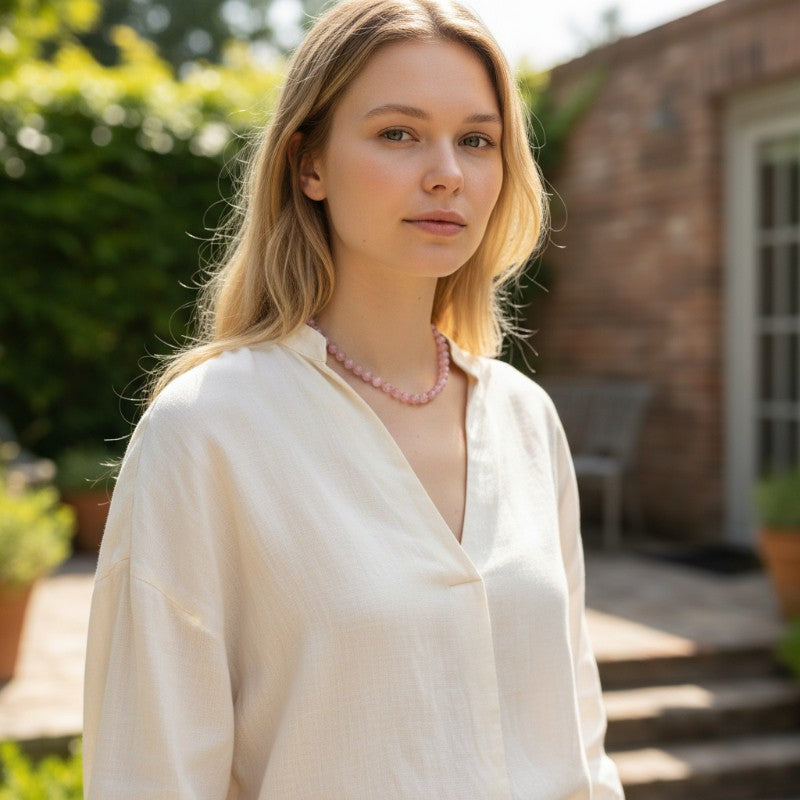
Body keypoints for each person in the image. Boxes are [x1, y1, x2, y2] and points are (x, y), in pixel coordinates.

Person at [82, 0, 625, 797]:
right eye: (398, 133)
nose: (446, 170)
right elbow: (150, 772)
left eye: (476, 139)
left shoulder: (526, 421)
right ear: (309, 165)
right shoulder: (206, 433)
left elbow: (581, 741)